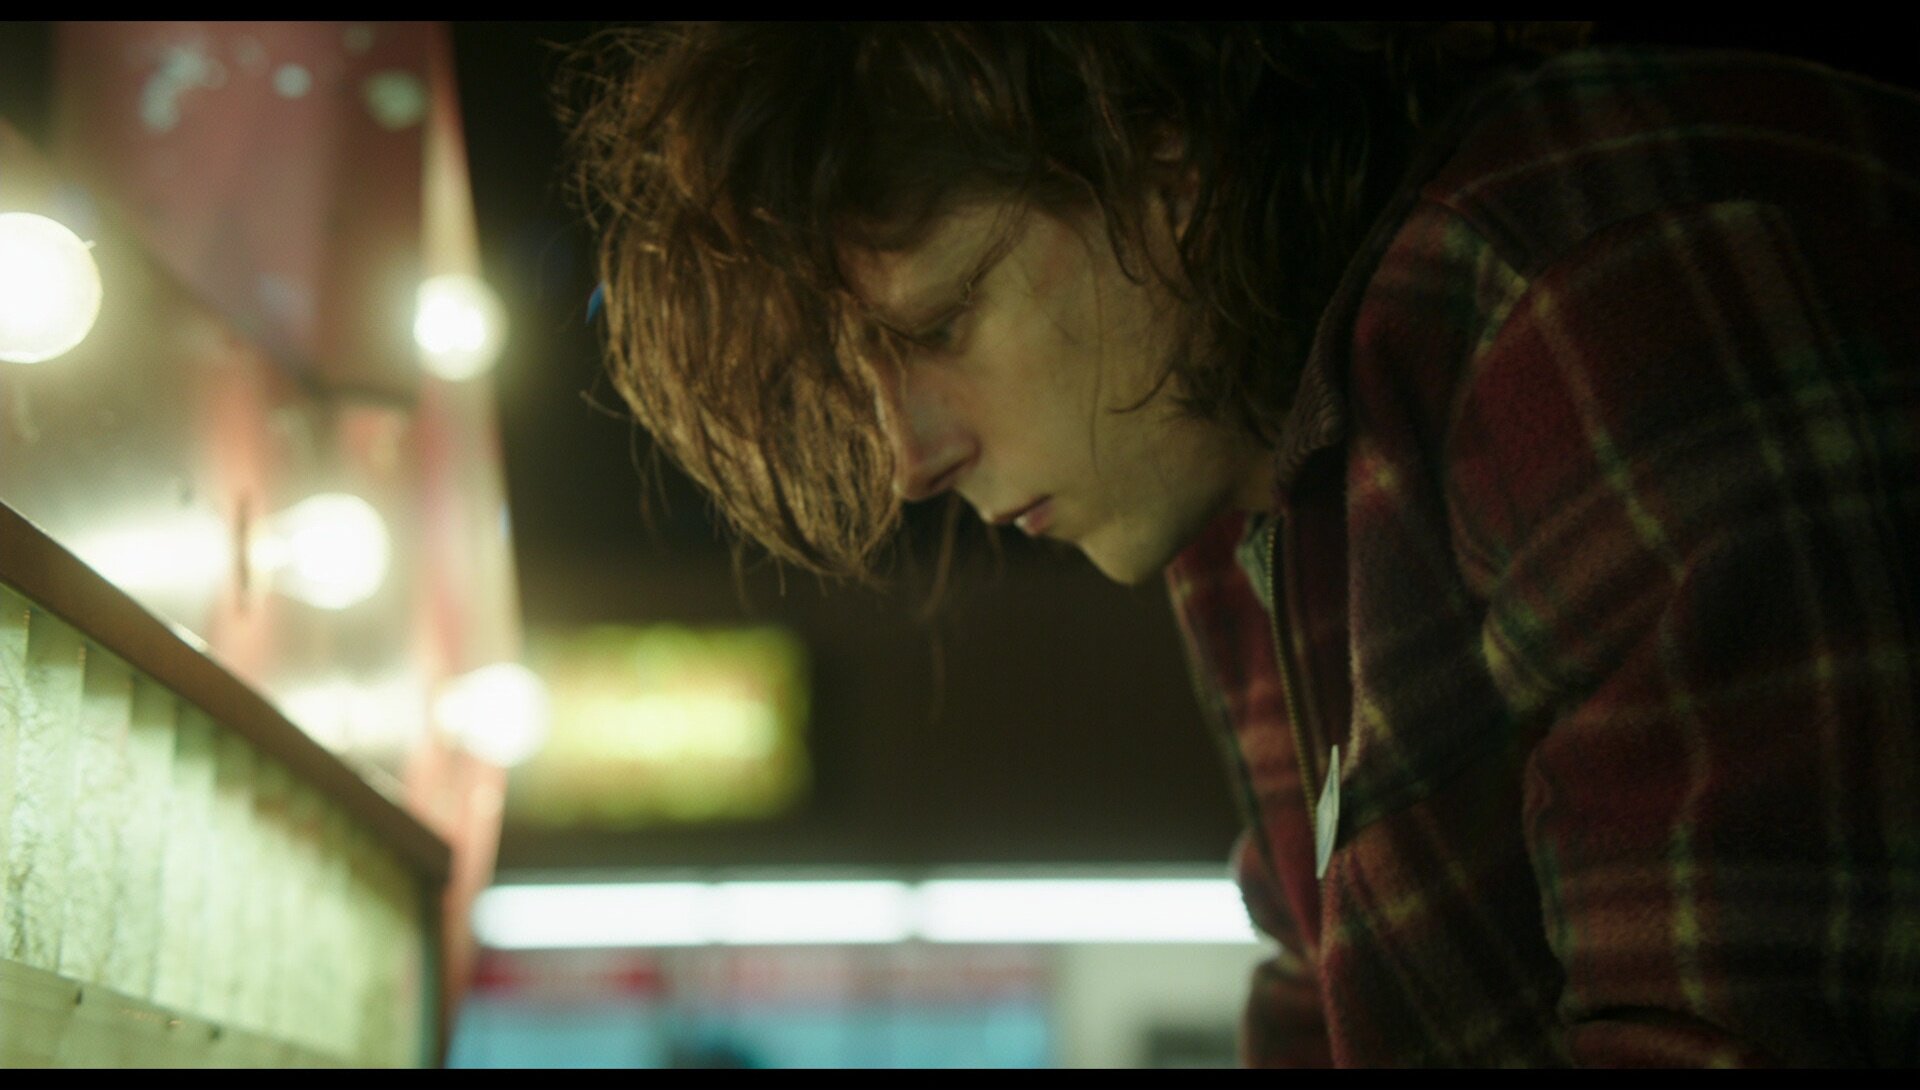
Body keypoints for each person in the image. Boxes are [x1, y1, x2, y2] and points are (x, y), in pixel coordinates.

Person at [562, 23, 1920, 1066]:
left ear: (1162, 154)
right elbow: (1318, 1017)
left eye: (940, 323)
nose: (911, 458)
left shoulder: (1581, 297)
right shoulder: (1252, 513)